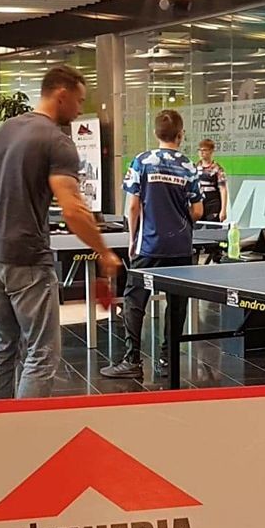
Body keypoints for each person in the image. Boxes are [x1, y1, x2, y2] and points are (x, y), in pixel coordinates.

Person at [0, 64, 120, 400]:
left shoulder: (2, 132)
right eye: (79, 100)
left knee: (3, 345)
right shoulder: (57, 142)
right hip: (26, 257)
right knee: (42, 354)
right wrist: (104, 252)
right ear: (62, 94)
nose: (80, 109)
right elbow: (73, 210)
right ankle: (28, 428)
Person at [101, 110, 204, 380]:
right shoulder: (189, 166)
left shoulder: (142, 161)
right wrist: (178, 218)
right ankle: (168, 360)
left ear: (156, 133)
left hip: (149, 245)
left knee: (135, 301)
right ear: (180, 135)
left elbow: (133, 206)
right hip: (180, 247)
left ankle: (132, 360)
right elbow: (198, 210)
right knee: (176, 305)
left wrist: (132, 239)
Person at [195, 138, 228, 223]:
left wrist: (223, 210)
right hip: (199, 205)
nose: (201, 153)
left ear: (211, 151)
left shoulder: (217, 169)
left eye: (204, 150)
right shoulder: (195, 167)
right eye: (199, 150)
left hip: (213, 205)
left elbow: (223, 189)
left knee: (212, 228)